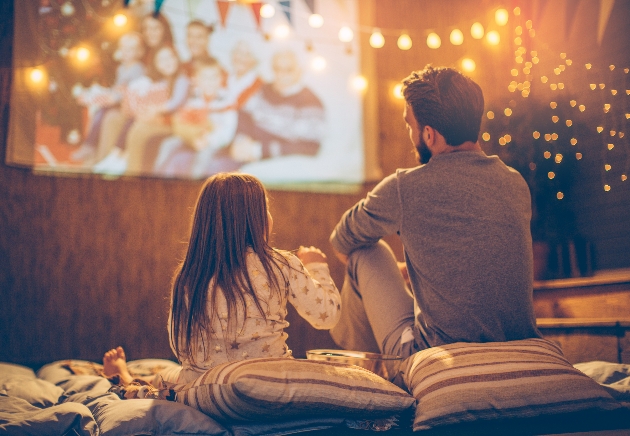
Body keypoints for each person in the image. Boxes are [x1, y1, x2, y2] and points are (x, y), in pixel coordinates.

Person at [328, 65, 542, 378]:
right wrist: (418, 273)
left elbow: (342, 240)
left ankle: (364, 381)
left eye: (410, 126)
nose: (410, 134)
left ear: (429, 134)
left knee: (364, 253)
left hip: (432, 352)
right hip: (515, 342)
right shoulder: (515, 183)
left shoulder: (405, 187)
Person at [102, 173, 341, 386]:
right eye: (265, 208)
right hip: (270, 382)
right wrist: (316, 266)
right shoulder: (282, 264)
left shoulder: (188, 273)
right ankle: (126, 376)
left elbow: (179, 346)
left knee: (168, 380)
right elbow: (327, 316)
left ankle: (126, 379)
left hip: (203, 386)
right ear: (255, 218)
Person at [93, 44, 190, 174]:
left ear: (177, 59)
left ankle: (129, 168)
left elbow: (175, 102)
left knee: (138, 127)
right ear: (156, 65)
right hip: (156, 117)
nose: (167, 62)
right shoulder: (160, 81)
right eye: (161, 60)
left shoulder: (182, 79)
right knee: (118, 118)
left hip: (171, 122)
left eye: (170, 58)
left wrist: (155, 109)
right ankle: (111, 157)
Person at [230, 49, 325, 165]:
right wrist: (241, 139)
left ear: (300, 71)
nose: (281, 74)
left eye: (288, 70)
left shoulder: (311, 103)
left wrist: (259, 150)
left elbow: (310, 147)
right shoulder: (264, 89)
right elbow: (244, 115)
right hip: (245, 154)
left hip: (277, 162)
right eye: (277, 68)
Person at [153, 59, 237, 177]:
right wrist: (193, 139)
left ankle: (193, 183)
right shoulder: (194, 97)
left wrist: (208, 139)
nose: (209, 82)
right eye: (205, 78)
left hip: (215, 142)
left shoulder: (227, 101)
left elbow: (227, 132)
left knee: (203, 154)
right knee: (168, 144)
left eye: (214, 77)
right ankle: (157, 179)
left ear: (220, 79)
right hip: (194, 137)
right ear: (197, 80)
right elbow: (186, 122)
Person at [71, 32, 146, 164]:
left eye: (130, 49)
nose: (126, 52)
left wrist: (113, 97)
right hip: (118, 101)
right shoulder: (121, 68)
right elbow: (117, 88)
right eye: (124, 49)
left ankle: (92, 148)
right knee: (100, 111)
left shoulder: (138, 69)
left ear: (138, 52)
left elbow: (133, 91)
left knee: (104, 110)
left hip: (130, 105)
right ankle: (90, 146)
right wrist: (104, 96)